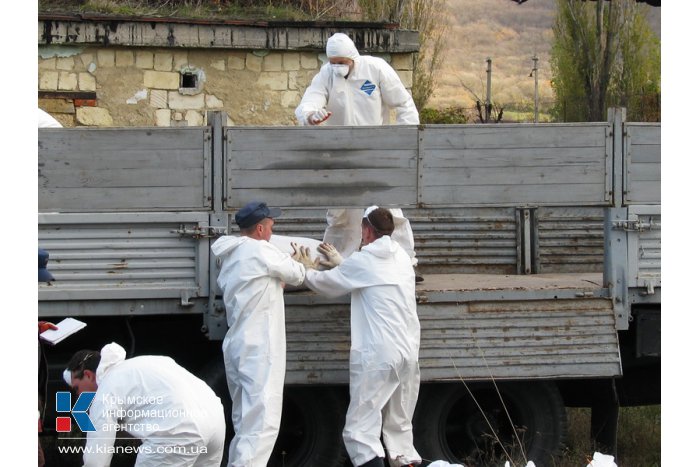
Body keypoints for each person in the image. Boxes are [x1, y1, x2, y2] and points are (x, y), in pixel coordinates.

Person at [294, 206, 422, 467]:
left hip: (380, 356)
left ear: (365, 230)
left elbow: (326, 285)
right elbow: (373, 276)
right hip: (408, 355)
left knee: (360, 431)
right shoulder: (401, 258)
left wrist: (306, 270)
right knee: (399, 431)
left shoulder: (364, 261)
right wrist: (344, 265)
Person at [294, 32, 422, 280]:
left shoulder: (376, 69)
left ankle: (405, 262)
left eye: (342, 61)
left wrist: (404, 139)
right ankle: (335, 262)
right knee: (340, 213)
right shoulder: (326, 75)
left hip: (375, 152)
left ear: (354, 57)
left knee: (387, 210)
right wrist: (311, 116)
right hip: (339, 154)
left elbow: (404, 104)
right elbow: (308, 103)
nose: (338, 66)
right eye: (334, 62)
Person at [211, 201, 307, 467]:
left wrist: (276, 281)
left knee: (244, 421)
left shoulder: (231, 255)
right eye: (272, 226)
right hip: (260, 347)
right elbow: (298, 274)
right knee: (262, 421)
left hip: (238, 344)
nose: (273, 232)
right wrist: (298, 263)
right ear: (261, 228)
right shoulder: (261, 251)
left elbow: (259, 282)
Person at [64, 342, 225, 467]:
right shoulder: (142, 363)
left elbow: (97, 457)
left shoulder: (106, 388)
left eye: (76, 388)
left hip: (178, 430)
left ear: (88, 375)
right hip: (215, 422)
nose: (78, 396)